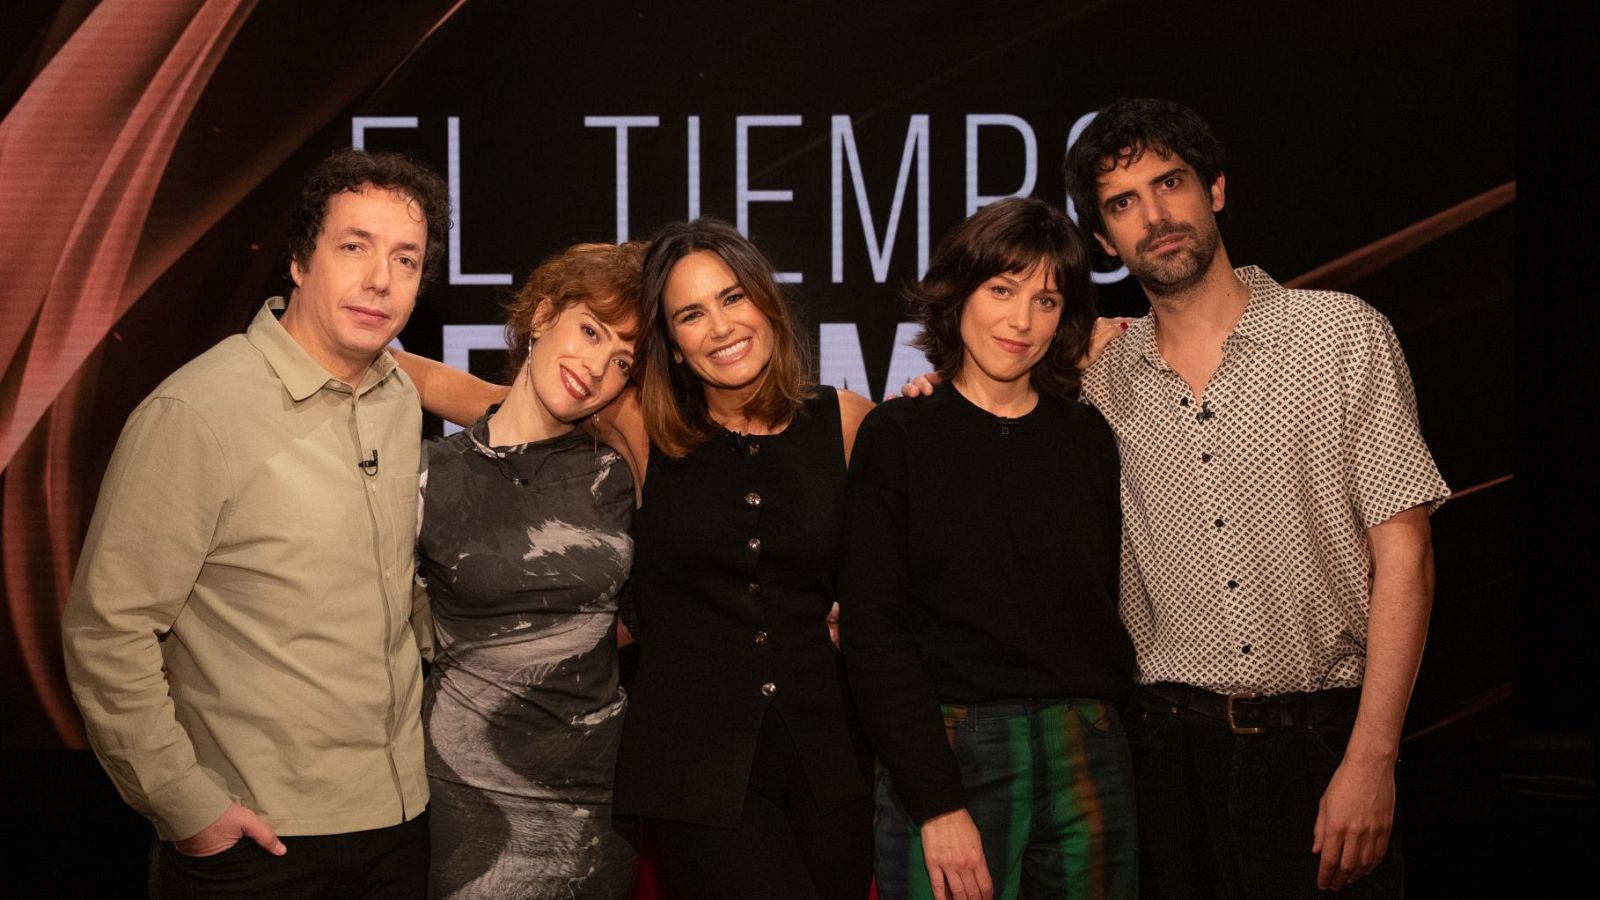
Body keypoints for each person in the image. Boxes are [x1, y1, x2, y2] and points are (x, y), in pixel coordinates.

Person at [400, 219, 877, 899]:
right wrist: (342, 348)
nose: (719, 326)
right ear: (675, 347)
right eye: (690, 314)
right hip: (696, 771)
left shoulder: (850, 421)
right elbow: (501, 401)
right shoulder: (644, 427)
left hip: (833, 763)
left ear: (768, 302)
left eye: (732, 298)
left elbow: (908, 558)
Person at [1062, 98, 1449, 897]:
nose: (1156, 215)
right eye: (1123, 202)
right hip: (1166, 755)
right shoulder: (1100, 382)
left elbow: (1405, 557)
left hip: (1325, 743)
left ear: (1217, 189)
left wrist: (1373, 757)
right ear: (1104, 241)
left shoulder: (1340, 334)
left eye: (1170, 182)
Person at [61, 148, 450, 898]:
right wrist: (185, 804)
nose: (381, 279)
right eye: (354, 247)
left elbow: (393, 593)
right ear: (300, 262)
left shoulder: (397, 397)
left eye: (406, 259)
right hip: (259, 843)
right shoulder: (197, 413)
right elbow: (108, 630)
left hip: (401, 821)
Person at [841, 197, 1138, 900]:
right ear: (958, 295)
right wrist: (937, 803)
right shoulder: (900, 435)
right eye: (1000, 291)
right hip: (951, 750)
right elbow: (874, 629)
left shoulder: (1088, 438)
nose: (1020, 321)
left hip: (1088, 745)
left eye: (1045, 299)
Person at [415, 243, 645, 899]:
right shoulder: (433, 472)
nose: (595, 366)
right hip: (466, 800)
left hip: (597, 800)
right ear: (543, 316)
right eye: (590, 330)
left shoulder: (621, 469)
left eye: (621, 359)